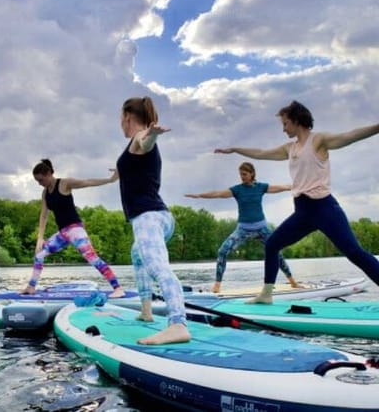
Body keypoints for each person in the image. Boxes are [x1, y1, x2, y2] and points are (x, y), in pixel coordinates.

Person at [215, 100, 379, 303]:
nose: (283, 129)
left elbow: (349, 136)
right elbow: (261, 153)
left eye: (285, 123)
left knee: (354, 253)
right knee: (272, 244)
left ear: (295, 120)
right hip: (302, 212)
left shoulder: (318, 140)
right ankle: (266, 294)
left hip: (325, 209)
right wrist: (235, 149)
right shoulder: (289, 148)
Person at [116, 96, 190, 345]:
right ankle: (146, 311)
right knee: (138, 255)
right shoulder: (131, 147)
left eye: (121, 118)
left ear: (127, 116)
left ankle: (178, 323)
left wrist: (154, 135)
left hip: (148, 218)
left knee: (158, 267)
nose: (120, 123)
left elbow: (144, 142)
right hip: (159, 217)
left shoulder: (140, 137)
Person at [185, 162, 298, 293]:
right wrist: (199, 195)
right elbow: (218, 194)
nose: (242, 177)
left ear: (252, 174)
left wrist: (293, 186)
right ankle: (217, 285)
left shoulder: (260, 187)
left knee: (276, 253)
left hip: (262, 229)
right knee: (222, 251)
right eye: (240, 174)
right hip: (243, 230)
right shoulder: (237, 190)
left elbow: (280, 187)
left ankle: (292, 281)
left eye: (244, 174)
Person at [21, 159, 125, 298]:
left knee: (92, 258)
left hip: (76, 230)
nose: (39, 184)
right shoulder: (45, 193)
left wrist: (110, 180)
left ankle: (118, 288)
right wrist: (40, 238)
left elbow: (87, 182)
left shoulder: (64, 184)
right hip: (63, 233)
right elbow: (44, 215)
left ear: (47, 174)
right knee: (39, 254)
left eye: (40, 180)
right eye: (37, 181)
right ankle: (31, 287)